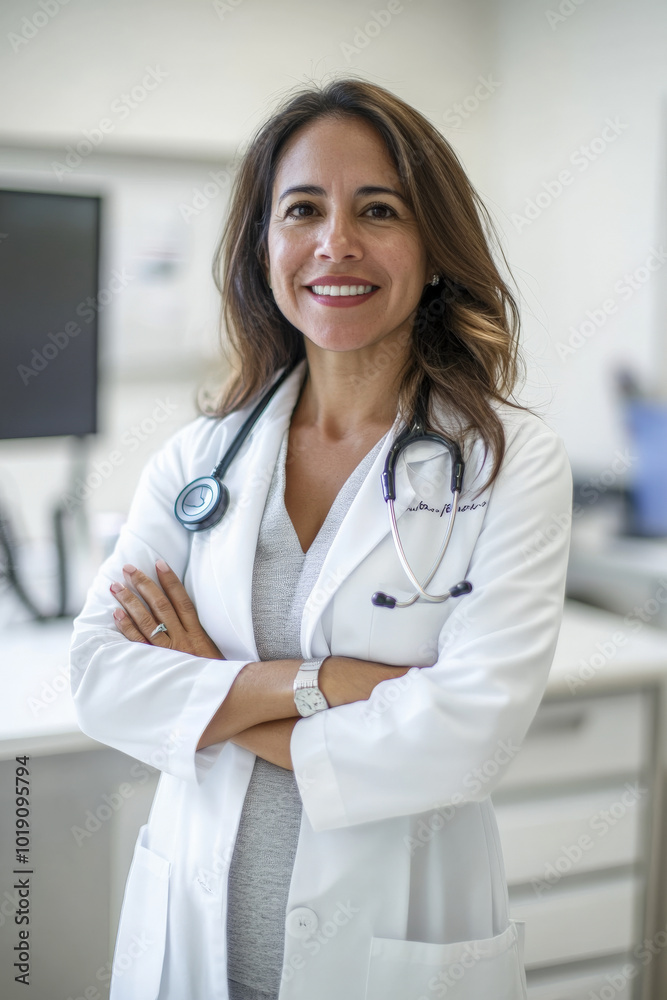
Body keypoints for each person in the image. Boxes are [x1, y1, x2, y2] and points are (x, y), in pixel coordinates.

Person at [69, 77, 572, 1000]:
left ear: (433, 248)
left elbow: (468, 740)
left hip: (395, 949)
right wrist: (325, 688)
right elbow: (102, 681)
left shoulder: (508, 462)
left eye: (377, 209)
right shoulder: (198, 460)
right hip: (197, 945)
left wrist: (209, 693)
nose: (334, 242)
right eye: (302, 209)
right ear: (265, 246)